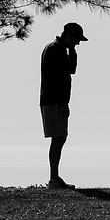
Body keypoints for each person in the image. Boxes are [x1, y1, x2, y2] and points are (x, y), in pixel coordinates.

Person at [40, 22, 87, 189]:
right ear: (69, 35)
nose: (78, 43)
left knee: (59, 137)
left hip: (52, 100)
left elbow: (70, 71)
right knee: (58, 138)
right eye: (76, 40)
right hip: (54, 101)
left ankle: (54, 178)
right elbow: (60, 78)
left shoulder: (58, 48)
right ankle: (53, 179)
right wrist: (62, 103)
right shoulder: (57, 49)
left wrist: (72, 52)